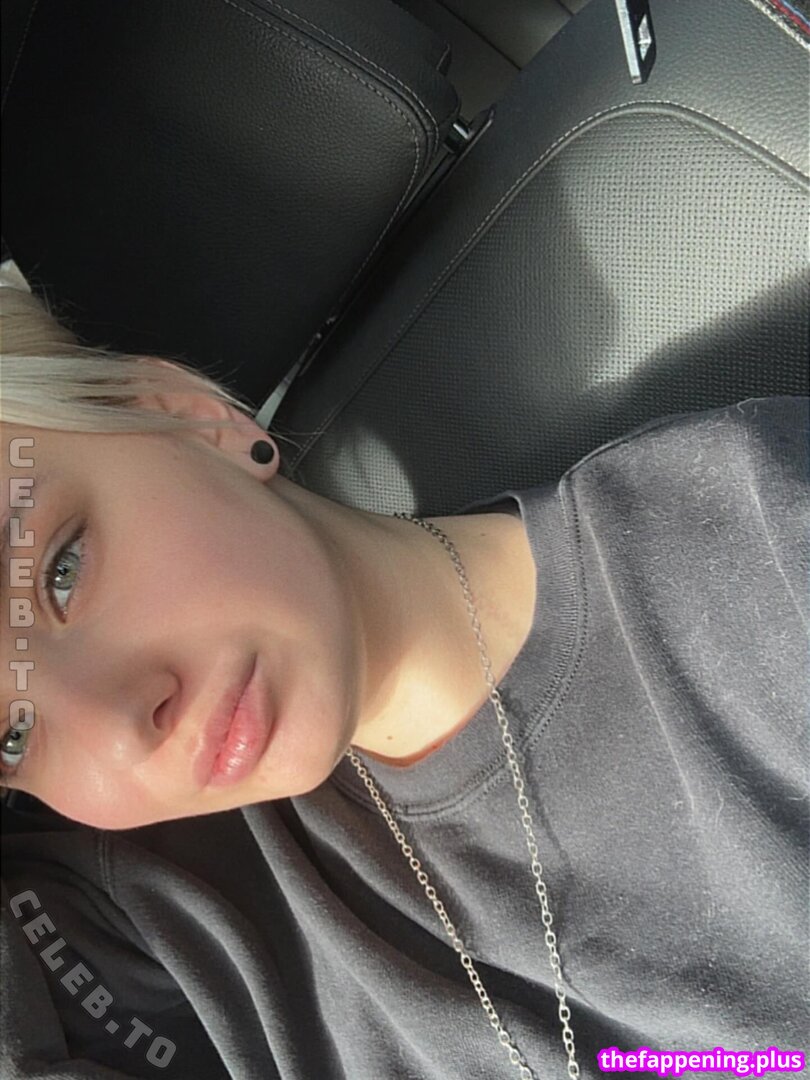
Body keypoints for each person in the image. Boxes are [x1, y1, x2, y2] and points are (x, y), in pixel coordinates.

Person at [1, 262, 807, 1079]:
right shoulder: (131, 907)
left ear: (185, 418)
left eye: (61, 571)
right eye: (10, 740)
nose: (118, 726)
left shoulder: (760, 555)